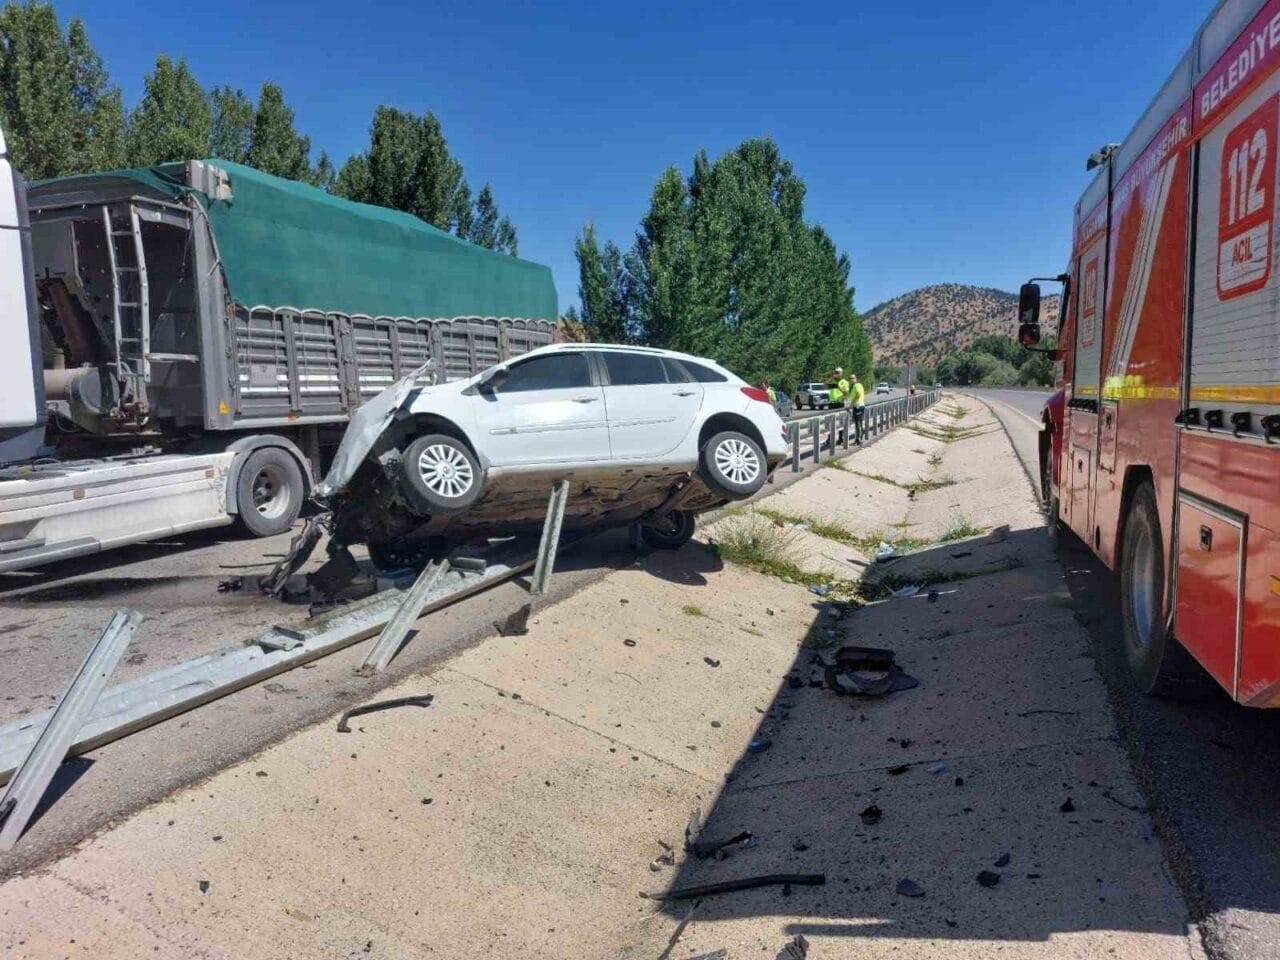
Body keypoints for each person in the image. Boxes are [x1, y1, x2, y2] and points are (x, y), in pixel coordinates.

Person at [849, 373, 867, 443]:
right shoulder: (856, 386)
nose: (851, 380)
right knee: (858, 423)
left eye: (853, 378)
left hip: (858, 406)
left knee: (859, 423)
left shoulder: (857, 385)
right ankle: (857, 439)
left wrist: (851, 404)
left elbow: (858, 394)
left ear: (856, 379)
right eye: (850, 378)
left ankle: (859, 440)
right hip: (858, 406)